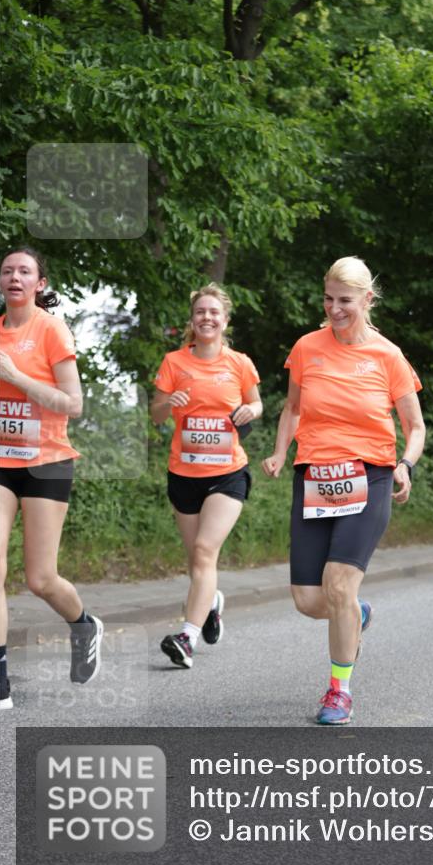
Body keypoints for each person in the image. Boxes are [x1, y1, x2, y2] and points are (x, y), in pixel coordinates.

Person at [262, 256, 425, 725]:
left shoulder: (387, 356)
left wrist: (405, 464)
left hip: (369, 476)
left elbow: (415, 425)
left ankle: (339, 691)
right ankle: (356, 612)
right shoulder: (306, 348)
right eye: (329, 299)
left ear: (367, 300)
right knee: (309, 600)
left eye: (345, 301)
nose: (334, 309)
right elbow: (292, 408)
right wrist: (278, 451)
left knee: (337, 585)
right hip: (315, 477)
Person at [0, 246, 103, 710]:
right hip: (0, 460)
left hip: (46, 463)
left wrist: (16, 377)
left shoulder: (51, 328)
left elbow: (73, 404)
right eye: (6, 270)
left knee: (40, 579)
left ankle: (83, 625)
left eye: (24, 271)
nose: (14, 277)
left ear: (40, 284)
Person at [152, 283, 261, 669]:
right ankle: (211, 602)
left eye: (214, 312)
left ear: (225, 320)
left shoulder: (239, 363)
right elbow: (156, 414)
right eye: (201, 312)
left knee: (204, 551)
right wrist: (169, 402)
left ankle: (187, 638)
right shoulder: (174, 362)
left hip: (227, 473)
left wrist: (252, 411)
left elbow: (256, 402)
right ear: (192, 319)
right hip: (183, 473)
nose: (207, 318)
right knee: (197, 563)